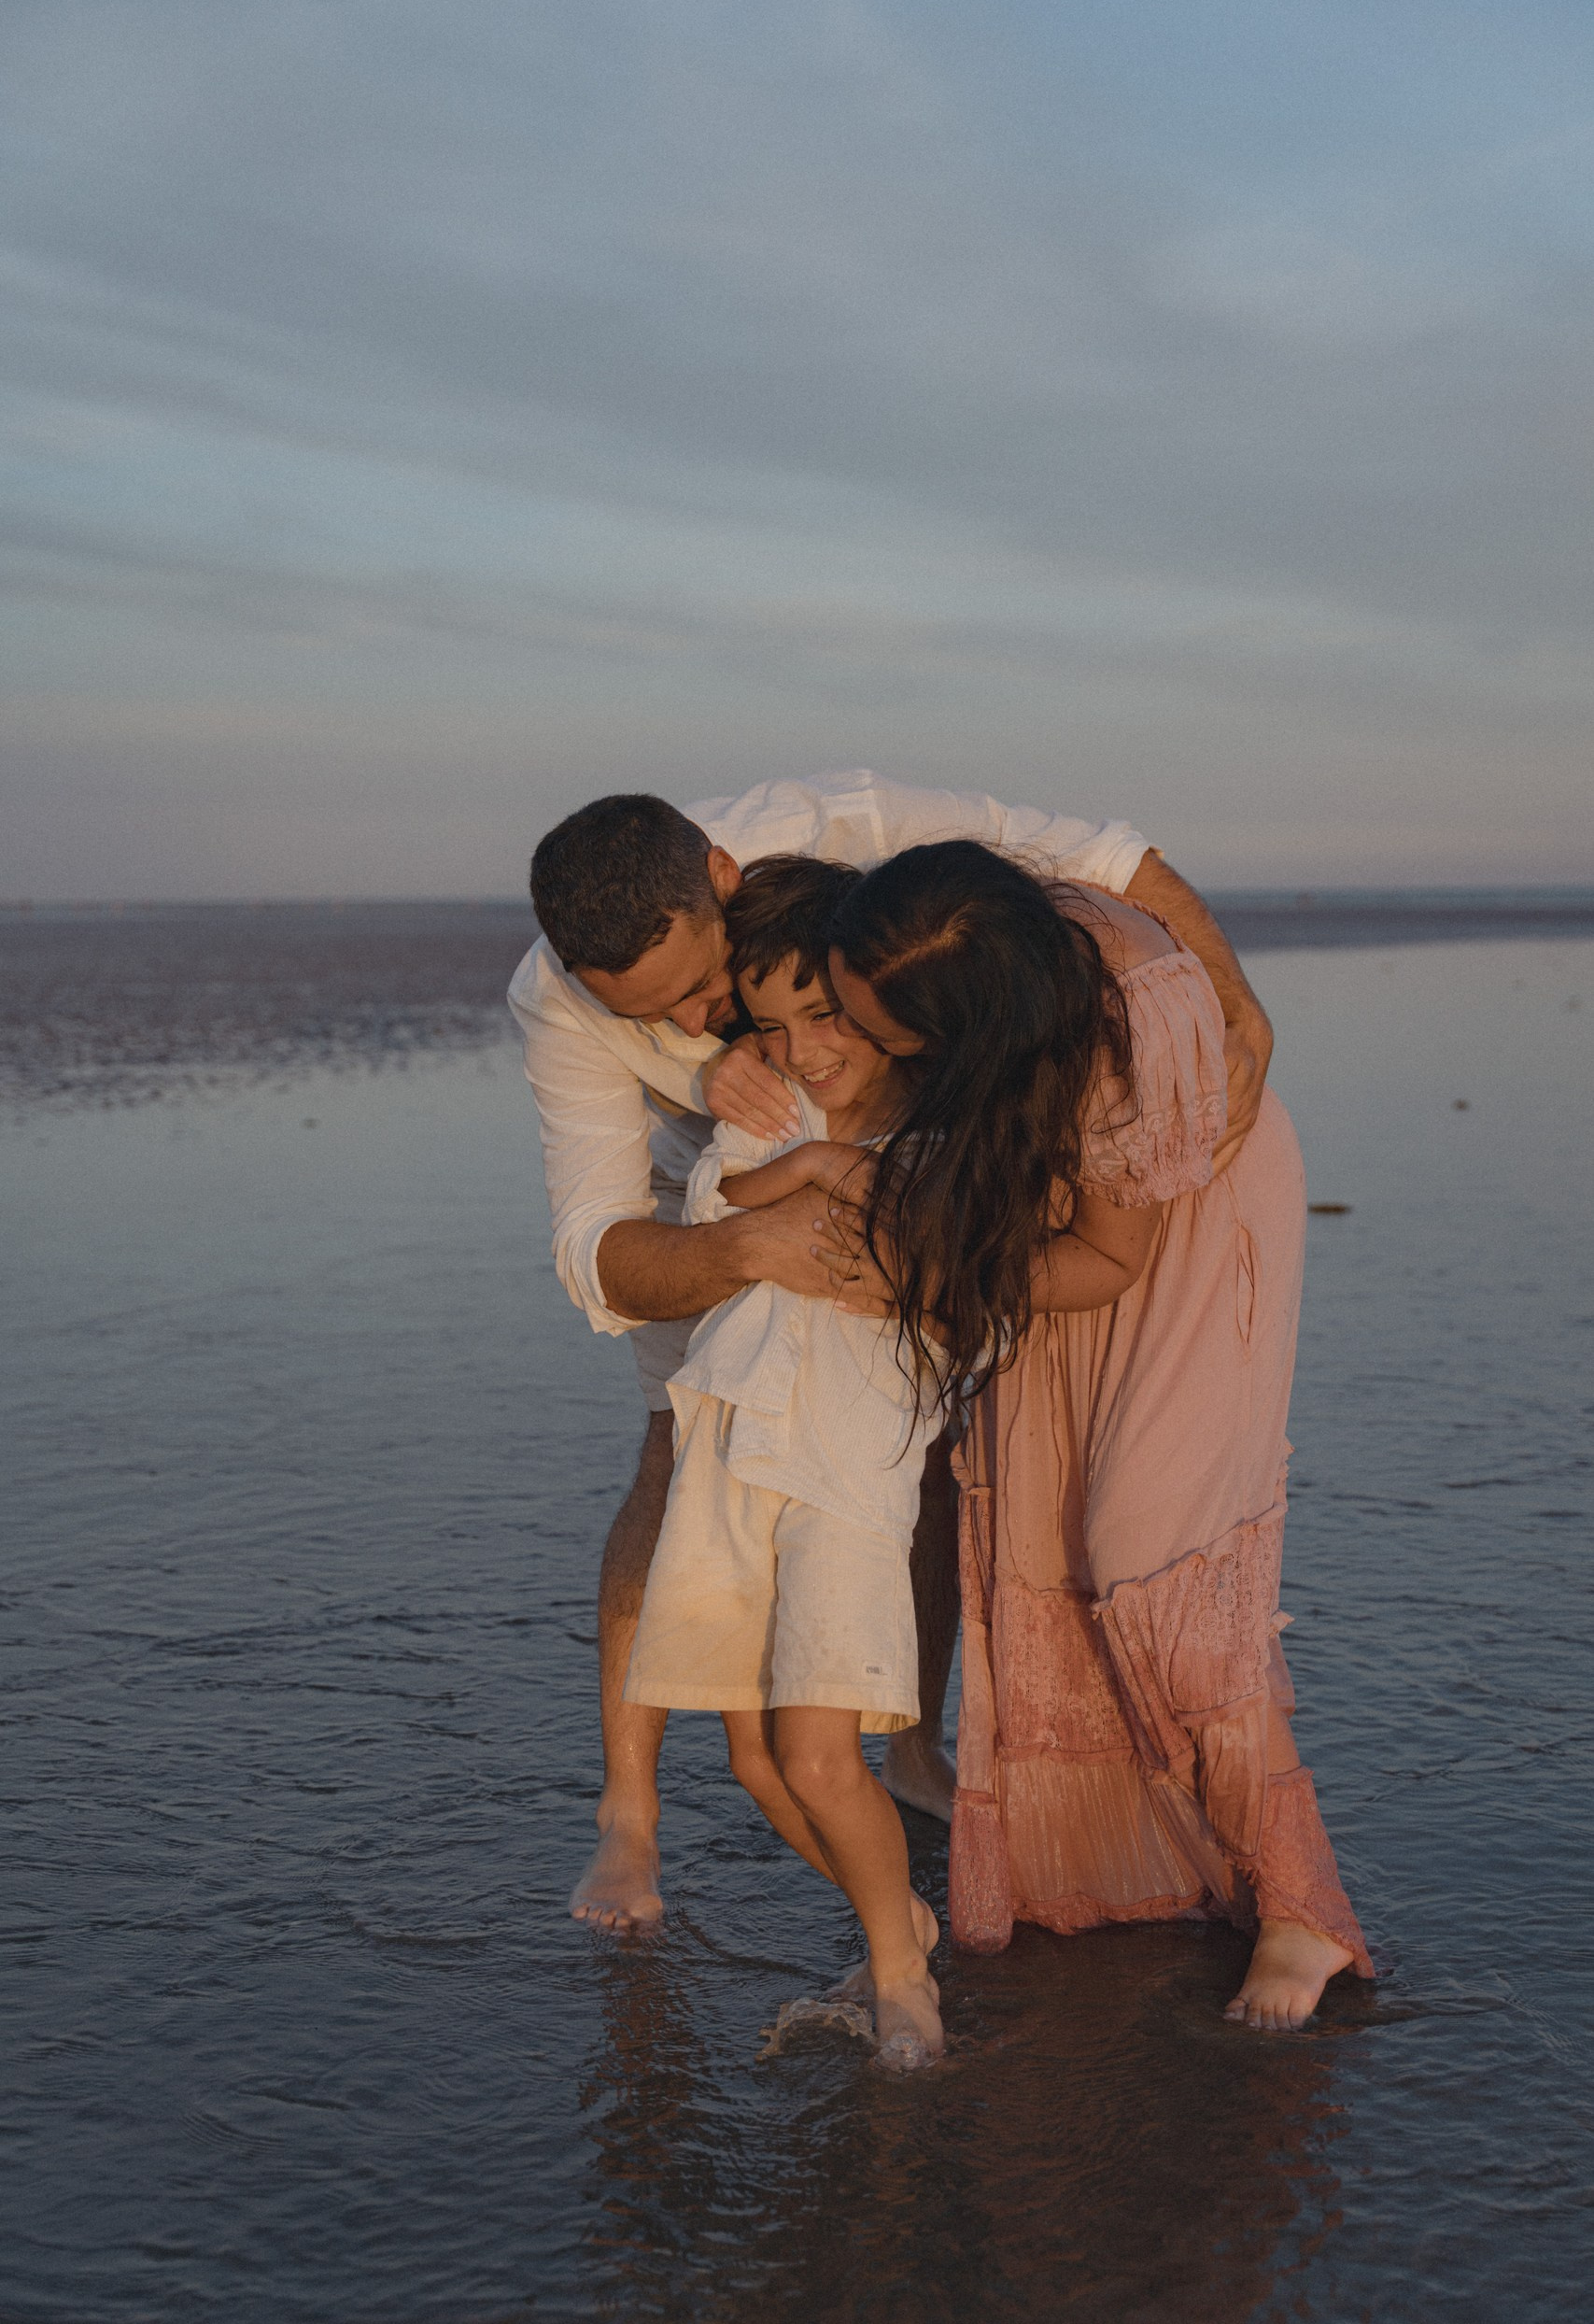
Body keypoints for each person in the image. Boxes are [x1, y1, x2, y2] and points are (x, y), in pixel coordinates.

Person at [511, 769, 1274, 1933]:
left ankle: (908, 1748)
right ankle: (629, 1812)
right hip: (701, 1199)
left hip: (905, 1148)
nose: (689, 1018)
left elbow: (1098, 855)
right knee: (676, 1450)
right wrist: (749, 1243)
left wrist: (1233, 998)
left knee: (908, 1454)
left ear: (724, 880)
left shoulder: (843, 824)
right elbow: (591, 1254)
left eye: (701, 984)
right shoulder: (561, 1001)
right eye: (647, 1013)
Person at [816, 841, 1372, 2030]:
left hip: (1179, 1225)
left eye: (881, 1027)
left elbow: (1109, 1262)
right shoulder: (953, 914)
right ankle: (1131, 1863)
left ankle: (1303, 1910)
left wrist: (907, 1273)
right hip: (1063, 1213)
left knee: (1147, 1541)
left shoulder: (1130, 1019)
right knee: (1038, 1507)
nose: (855, 1032)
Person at [623, 856, 946, 2065]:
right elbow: (716, 1209)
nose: (803, 1052)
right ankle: (895, 1918)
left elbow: (919, 1265)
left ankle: (903, 1976)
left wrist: (806, 1189)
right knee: (754, 1762)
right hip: (729, 1447)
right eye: (770, 1027)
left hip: (846, 1471)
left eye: (825, 1016)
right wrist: (801, 1167)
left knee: (816, 1752)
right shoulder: (772, 1109)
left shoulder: (940, 1125)